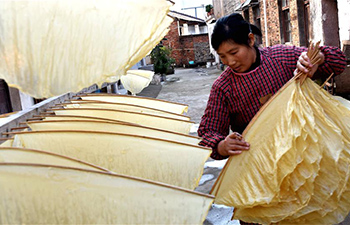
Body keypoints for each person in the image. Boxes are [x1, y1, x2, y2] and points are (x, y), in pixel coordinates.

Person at [198, 13, 346, 161]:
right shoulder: (223, 87)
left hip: (306, 149)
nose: (229, 61)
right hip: (259, 160)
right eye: (222, 56)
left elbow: (338, 61)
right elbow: (209, 131)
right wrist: (222, 146)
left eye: (234, 52)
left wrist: (318, 58)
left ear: (250, 40)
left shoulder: (282, 57)